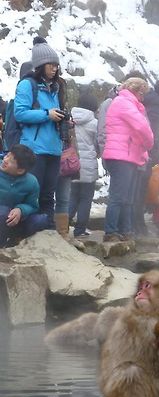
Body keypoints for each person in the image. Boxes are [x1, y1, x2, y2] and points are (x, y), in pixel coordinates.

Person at [14, 38, 66, 229]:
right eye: (51, 65)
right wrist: (47, 114)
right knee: (33, 192)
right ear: (41, 65)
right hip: (34, 148)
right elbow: (20, 113)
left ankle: (48, 229)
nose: (54, 69)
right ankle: (30, 230)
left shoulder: (56, 87)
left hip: (53, 148)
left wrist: (64, 119)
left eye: (56, 65)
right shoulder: (28, 85)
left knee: (48, 193)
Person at [102, 77, 154, 242]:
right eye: (142, 93)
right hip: (120, 155)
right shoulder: (123, 103)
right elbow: (142, 126)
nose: (143, 97)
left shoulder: (128, 103)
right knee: (118, 196)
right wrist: (149, 144)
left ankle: (126, 230)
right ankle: (111, 231)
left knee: (128, 198)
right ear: (135, 90)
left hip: (127, 155)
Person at [132, 78, 159, 236]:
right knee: (139, 189)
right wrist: (154, 147)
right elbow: (149, 131)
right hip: (144, 152)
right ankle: (137, 225)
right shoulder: (156, 108)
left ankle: (136, 224)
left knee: (137, 188)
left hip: (140, 151)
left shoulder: (150, 102)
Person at [0, 144, 47, 247]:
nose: (5, 160)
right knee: (2, 212)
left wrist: (20, 210)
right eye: (7, 155)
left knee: (41, 220)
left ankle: (15, 240)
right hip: (2, 215)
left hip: (16, 220)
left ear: (20, 170)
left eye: (11, 161)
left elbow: (33, 205)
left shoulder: (31, 182)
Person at [68, 93, 99, 237]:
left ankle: (63, 226)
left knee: (72, 196)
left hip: (71, 164)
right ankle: (80, 230)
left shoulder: (69, 119)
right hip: (88, 165)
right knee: (86, 198)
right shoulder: (94, 123)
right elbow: (97, 143)